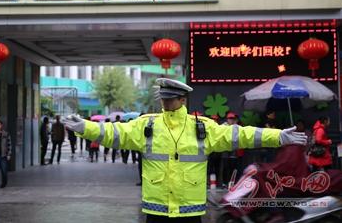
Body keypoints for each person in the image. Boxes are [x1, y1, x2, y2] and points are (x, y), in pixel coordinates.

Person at [62, 78, 307, 222]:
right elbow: (114, 133)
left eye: (170, 99)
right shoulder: (147, 124)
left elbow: (239, 134)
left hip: (190, 211)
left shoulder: (202, 128)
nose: (166, 103)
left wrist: (278, 136)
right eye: (163, 99)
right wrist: (85, 127)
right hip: (155, 210)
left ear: (182, 100)